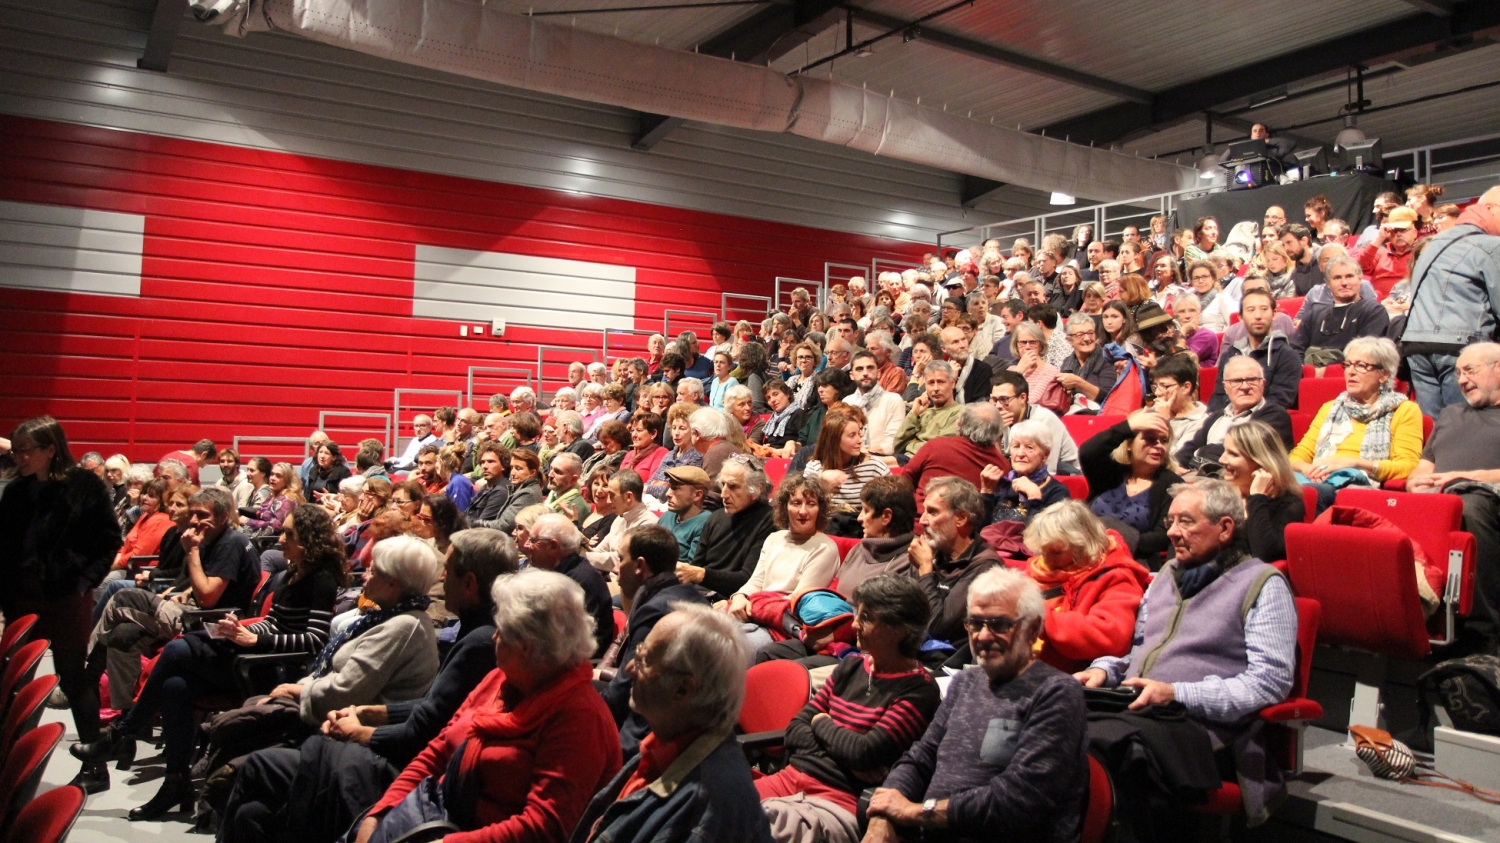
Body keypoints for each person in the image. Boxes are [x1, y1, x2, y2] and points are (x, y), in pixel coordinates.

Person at [219, 529, 520, 843]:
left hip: (395, 763)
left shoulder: (474, 641)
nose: (441, 577)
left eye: (448, 570)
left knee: (256, 763)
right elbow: (435, 708)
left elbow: (429, 729)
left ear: (469, 582)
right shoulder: (455, 629)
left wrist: (361, 730)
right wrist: (374, 713)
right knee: (251, 813)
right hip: (380, 741)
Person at [1076, 481, 1297, 827]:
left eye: (1186, 522)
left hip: (1205, 732)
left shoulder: (1262, 584)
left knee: (1108, 752)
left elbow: (1268, 684)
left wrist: (1178, 693)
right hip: (1138, 711)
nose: (1174, 533)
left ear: (1225, 528)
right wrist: (1105, 670)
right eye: (1170, 522)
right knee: (1058, 725)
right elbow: (1138, 650)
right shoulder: (1167, 574)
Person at [355, 569, 621, 843]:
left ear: (527, 647)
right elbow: (436, 752)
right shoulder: (501, 679)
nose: (493, 637)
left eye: (501, 631)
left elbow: (544, 829)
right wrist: (381, 812)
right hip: (435, 817)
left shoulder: (579, 719)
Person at [867, 568, 1087, 843]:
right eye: (976, 623)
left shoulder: (1057, 693)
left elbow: (1020, 799)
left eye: (999, 624)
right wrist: (883, 816)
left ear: (1032, 629)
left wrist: (915, 813)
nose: (983, 636)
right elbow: (921, 757)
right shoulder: (966, 682)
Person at [755, 577, 940, 843]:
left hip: (838, 801)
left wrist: (821, 724)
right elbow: (796, 729)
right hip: (788, 779)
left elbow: (864, 753)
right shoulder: (851, 666)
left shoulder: (919, 690)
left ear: (897, 629)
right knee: (715, 805)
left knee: (762, 826)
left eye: (865, 617)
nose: (854, 625)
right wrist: (844, 748)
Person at [571, 604, 770, 843]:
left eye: (644, 660)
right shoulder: (665, 745)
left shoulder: (705, 811)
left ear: (684, 689)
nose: (631, 668)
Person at [0, 416, 122, 788]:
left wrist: (85, 582)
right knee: (14, 677)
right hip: (20, 595)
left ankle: (94, 766)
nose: (19, 457)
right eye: (16, 450)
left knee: (72, 678)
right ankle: (13, 760)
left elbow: (108, 541)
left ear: (50, 449)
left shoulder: (84, 486)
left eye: (26, 450)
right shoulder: (16, 491)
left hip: (66, 595)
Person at [1408, 341, 1500, 652]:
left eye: (1470, 371)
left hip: (1484, 497)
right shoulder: (1449, 414)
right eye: (1458, 373)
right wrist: (1414, 483)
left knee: (1469, 505)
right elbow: (1423, 467)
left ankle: (1482, 631)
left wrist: (1465, 478)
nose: (1461, 380)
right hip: (1436, 497)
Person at [598, 525, 711, 754]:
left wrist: (588, 713)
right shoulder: (687, 596)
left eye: (621, 559)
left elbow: (627, 685)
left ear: (640, 565)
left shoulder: (655, 610)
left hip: (644, 731)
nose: (616, 568)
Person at [1401, 185, 1500, 415]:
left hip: (1416, 345)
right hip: (1459, 345)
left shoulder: (1434, 242)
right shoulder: (1491, 246)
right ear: (1490, 209)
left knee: (1435, 429)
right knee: (1465, 424)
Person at [1290, 337, 1422, 510]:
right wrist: (1308, 469)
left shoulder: (1404, 410)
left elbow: (1407, 466)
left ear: (1384, 375)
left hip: (1358, 483)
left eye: (1361, 365)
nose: (1350, 372)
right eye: (1348, 365)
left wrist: (1353, 463)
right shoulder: (1330, 408)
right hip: (1315, 477)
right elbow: (1297, 455)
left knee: (1311, 494)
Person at [1015, 501, 1148, 672]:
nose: (1046, 560)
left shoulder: (1117, 577)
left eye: (1056, 552)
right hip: (1025, 669)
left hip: (1072, 679)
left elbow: (1111, 637)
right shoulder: (1038, 570)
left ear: (1084, 545)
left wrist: (1038, 616)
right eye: (1043, 551)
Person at [725, 475, 840, 652]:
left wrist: (751, 605)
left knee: (729, 646)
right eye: (796, 503)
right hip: (757, 611)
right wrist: (739, 597)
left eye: (811, 504)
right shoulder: (774, 538)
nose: (803, 511)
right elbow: (756, 581)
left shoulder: (825, 548)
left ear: (820, 510)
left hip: (783, 625)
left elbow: (796, 602)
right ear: (785, 507)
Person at [1080, 410, 1184, 569]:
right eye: (1149, 439)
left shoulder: (1171, 484)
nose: (1158, 446)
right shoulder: (1109, 471)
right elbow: (1088, 451)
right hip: (1084, 553)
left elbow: (1161, 537)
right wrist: (1128, 427)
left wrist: (1112, 540)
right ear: (1129, 444)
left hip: (1131, 561)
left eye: (1164, 441)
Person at [908, 477, 1001, 654]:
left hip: (946, 664)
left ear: (961, 518)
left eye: (933, 512)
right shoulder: (932, 551)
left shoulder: (985, 566)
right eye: (924, 512)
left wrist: (925, 571)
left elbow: (937, 627)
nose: (922, 521)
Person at [676, 460, 779, 601]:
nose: (723, 494)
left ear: (756, 490)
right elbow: (695, 567)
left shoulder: (770, 522)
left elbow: (748, 580)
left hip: (731, 600)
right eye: (723, 484)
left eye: (733, 486)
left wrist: (701, 574)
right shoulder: (716, 517)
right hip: (699, 596)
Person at [1175, 355, 1294, 467]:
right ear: (1225, 387)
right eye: (1236, 381)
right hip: (1202, 476)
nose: (1245, 387)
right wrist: (1177, 465)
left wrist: (1201, 452)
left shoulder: (1275, 416)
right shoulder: (1216, 417)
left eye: (1252, 379)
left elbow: (1244, 452)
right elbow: (1189, 449)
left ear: (1262, 384)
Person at [525, 513, 616, 658]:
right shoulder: (559, 572)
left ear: (553, 546)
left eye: (533, 540)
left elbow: (568, 643)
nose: (526, 545)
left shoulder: (578, 582)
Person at [902, 401, 1009, 512]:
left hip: (917, 521)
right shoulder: (1002, 466)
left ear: (959, 425)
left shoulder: (935, 446)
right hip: (966, 526)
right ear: (999, 432)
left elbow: (904, 480)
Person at [1220, 421, 1305, 562]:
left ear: (1262, 462)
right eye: (1224, 451)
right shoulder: (1219, 493)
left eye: (1233, 454)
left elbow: (1264, 554)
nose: (1221, 459)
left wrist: (1257, 497)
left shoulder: (1288, 504)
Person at [1209, 289, 1303, 413]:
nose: (1258, 316)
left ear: (1274, 314)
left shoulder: (1288, 356)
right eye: (1251, 310)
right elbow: (1219, 396)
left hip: (1262, 423)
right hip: (1229, 420)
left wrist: (1242, 414)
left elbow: (1280, 400)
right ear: (1240, 317)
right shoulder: (1230, 355)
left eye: (1264, 309)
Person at [1291, 256, 1390, 362]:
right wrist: (1303, 370)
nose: (1344, 283)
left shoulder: (1374, 311)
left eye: (1349, 276)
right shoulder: (1313, 316)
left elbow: (1365, 352)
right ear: (1328, 283)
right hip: (1310, 374)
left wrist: (1328, 371)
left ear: (1360, 280)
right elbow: (1295, 350)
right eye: (1337, 278)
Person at [805, 406, 891, 523]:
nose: (860, 440)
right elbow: (805, 508)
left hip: (862, 529)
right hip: (826, 530)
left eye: (859, 433)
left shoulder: (874, 466)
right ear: (834, 440)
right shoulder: (815, 468)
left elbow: (894, 503)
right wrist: (821, 484)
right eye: (852, 435)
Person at [978, 418, 1069, 526]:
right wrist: (987, 492)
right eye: (1016, 446)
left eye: (1029, 447)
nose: (1020, 453)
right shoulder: (1003, 485)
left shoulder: (1057, 492)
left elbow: (1044, 538)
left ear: (1045, 454)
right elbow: (978, 530)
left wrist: (1034, 496)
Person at [992, 371, 1080, 475]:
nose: (998, 405)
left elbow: (1048, 470)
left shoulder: (1045, 420)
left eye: (1004, 399)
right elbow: (998, 467)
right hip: (1023, 474)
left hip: (1066, 476)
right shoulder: (1003, 418)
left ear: (1022, 398)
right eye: (994, 399)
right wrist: (996, 437)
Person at [893, 362, 962, 461]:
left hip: (923, 463)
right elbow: (897, 445)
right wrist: (914, 413)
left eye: (941, 382)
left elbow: (940, 449)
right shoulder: (923, 412)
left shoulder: (960, 412)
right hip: (905, 458)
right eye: (931, 383)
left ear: (952, 383)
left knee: (874, 464)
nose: (936, 388)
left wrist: (912, 443)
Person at [845, 350, 906, 458]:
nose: (865, 373)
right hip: (850, 460)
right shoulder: (846, 403)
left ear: (878, 373)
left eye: (870, 368)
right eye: (859, 369)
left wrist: (863, 454)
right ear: (851, 375)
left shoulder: (892, 400)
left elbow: (893, 443)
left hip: (882, 463)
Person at [1150, 353, 1209, 456]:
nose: (1157, 393)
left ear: (1186, 387)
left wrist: (1163, 424)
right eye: (1155, 386)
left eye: (1165, 386)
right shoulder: (1154, 411)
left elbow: (1175, 459)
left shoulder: (1201, 423)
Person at [1356, 205, 1421, 299]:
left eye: (1403, 230)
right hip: (1377, 303)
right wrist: (1380, 238)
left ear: (1414, 233)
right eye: (1394, 230)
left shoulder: (1421, 252)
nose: (1398, 234)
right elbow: (1360, 267)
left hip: (1406, 301)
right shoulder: (1382, 250)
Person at [645, 403, 706, 498]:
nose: (676, 433)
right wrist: (657, 485)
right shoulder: (669, 455)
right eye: (674, 428)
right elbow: (650, 482)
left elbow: (676, 491)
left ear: (694, 431)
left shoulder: (697, 456)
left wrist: (654, 486)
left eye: (682, 428)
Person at [655, 466, 712, 567]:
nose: (668, 494)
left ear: (697, 495)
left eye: (675, 488)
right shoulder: (668, 515)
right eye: (669, 487)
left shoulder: (705, 522)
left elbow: (691, 569)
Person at [1055, 313, 1114, 407]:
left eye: (1090, 333)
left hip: (1100, 414)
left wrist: (1078, 382)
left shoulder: (1107, 359)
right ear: (1069, 340)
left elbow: (1109, 397)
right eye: (1080, 335)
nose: (1087, 338)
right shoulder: (1067, 363)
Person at [485, 449, 544, 534]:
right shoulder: (520, 488)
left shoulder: (528, 493)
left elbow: (504, 526)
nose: (512, 473)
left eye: (518, 468)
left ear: (532, 472)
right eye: (512, 467)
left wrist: (476, 524)